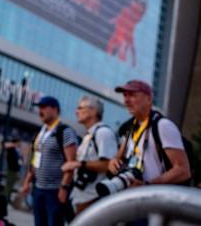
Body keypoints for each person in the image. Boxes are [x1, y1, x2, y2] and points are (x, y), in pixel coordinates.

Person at [107, 80, 190, 225]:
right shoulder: (130, 127)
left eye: (132, 95)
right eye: (125, 95)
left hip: (155, 206)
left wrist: (147, 185)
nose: (126, 100)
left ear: (149, 98)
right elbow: (117, 158)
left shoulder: (163, 126)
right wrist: (113, 162)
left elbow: (183, 170)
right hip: (131, 201)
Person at [19, 95, 78, 226]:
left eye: (44, 107)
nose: (40, 111)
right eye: (39, 108)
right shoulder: (40, 134)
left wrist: (63, 187)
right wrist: (27, 182)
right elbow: (35, 160)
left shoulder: (65, 132)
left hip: (55, 192)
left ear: (55, 109)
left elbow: (71, 163)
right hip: (39, 190)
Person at [62, 95, 118, 216]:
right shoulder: (89, 135)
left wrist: (79, 164)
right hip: (83, 197)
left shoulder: (103, 133)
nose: (76, 112)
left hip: (93, 199)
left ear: (93, 111)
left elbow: (109, 165)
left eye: (80, 108)